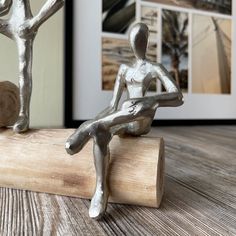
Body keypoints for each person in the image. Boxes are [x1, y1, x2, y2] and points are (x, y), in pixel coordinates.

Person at [65, 22, 184, 219]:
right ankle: (101, 189)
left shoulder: (154, 68)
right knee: (101, 131)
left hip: (141, 120)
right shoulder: (124, 69)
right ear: (130, 43)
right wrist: (95, 120)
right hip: (123, 116)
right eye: (134, 41)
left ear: (145, 43)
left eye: (141, 40)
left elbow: (177, 96)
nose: (138, 44)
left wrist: (152, 99)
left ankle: (84, 130)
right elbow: (112, 105)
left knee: (140, 105)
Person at [0, 0, 64, 133]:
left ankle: (23, 114)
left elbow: (58, 2)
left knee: (24, 70)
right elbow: (4, 6)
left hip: (25, 25)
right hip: (11, 23)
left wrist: (33, 23)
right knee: (24, 70)